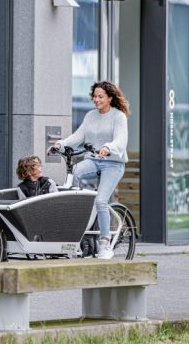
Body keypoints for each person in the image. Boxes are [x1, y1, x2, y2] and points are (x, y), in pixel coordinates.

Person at [49, 80, 129, 260]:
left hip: (113, 164)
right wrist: (60, 144)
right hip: (93, 160)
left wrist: (108, 147)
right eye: (94, 96)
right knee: (75, 171)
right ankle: (83, 206)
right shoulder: (91, 116)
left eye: (100, 96)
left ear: (110, 98)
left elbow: (121, 140)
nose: (96, 99)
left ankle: (105, 243)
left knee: (101, 201)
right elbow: (78, 136)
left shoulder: (118, 117)